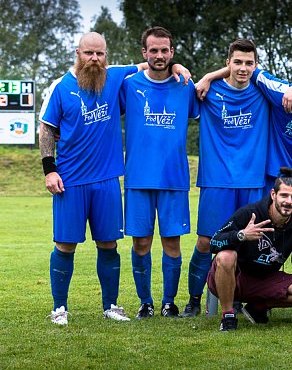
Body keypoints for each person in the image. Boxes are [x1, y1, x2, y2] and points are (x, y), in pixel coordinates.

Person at [39, 32, 189, 325]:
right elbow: (46, 129)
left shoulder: (116, 77)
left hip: (107, 180)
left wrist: (177, 67)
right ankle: (59, 308)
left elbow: (152, 64)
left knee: (109, 244)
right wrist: (50, 169)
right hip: (70, 180)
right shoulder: (60, 87)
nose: (94, 59)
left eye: (100, 54)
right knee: (65, 245)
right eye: (88, 54)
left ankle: (110, 305)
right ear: (77, 53)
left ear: (106, 55)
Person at [195, 64, 292, 234]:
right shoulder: (280, 93)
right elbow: (249, 67)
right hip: (273, 175)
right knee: (263, 234)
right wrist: (208, 77)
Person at [181, 39, 271, 317]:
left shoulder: (263, 91)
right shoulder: (208, 91)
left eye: (249, 63)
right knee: (207, 242)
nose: (243, 68)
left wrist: (211, 73)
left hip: (252, 180)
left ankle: (245, 300)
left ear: (256, 66)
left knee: (251, 244)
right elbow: (185, 85)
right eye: (238, 62)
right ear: (228, 62)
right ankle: (194, 300)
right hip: (216, 179)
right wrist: (208, 77)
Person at [119, 26, 200, 319]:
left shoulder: (185, 86)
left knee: (172, 242)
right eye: (153, 50)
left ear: (172, 52)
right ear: (144, 53)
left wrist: (184, 70)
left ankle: (169, 302)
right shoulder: (129, 86)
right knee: (140, 243)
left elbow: (205, 107)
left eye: (165, 50)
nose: (159, 55)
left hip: (174, 178)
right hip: (138, 178)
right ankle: (146, 302)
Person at [207, 167, 292, 331]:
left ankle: (257, 307)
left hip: (265, 279)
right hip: (234, 277)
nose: (288, 201)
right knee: (226, 256)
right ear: (273, 195)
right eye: (284, 195)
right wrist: (241, 236)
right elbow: (214, 243)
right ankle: (228, 316)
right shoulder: (249, 213)